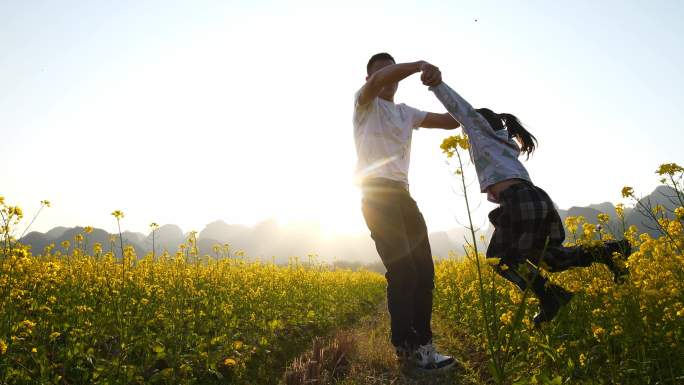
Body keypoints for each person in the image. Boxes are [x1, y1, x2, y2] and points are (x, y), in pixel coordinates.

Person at [428, 80, 631, 325]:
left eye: (467, 128)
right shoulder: (503, 141)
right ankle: (611, 250)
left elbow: (459, 108)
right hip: (535, 198)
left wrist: (436, 85)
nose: (465, 134)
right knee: (551, 259)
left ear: (477, 123)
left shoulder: (480, 132)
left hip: (519, 200)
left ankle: (550, 296)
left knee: (500, 259)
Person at [353, 53, 459, 372]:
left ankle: (424, 346)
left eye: (391, 72)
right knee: (403, 271)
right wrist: (418, 65)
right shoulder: (364, 103)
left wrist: (440, 86)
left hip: (402, 195)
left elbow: (450, 121)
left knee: (424, 271)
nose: (387, 77)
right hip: (376, 194)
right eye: (380, 72)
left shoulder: (405, 113)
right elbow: (377, 82)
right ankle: (406, 347)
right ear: (370, 78)